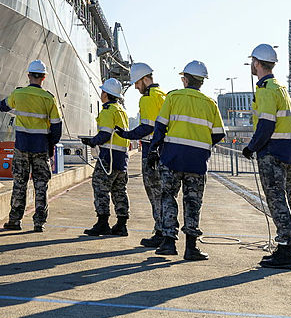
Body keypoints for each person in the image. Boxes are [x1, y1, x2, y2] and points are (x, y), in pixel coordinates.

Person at [149, 60, 226, 261]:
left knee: (168, 197)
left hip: (172, 158)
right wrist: (201, 144)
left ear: (185, 79)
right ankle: (191, 248)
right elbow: (219, 134)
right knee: (193, 202)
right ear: (202, 82)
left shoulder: (173, 97)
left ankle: (168, 243)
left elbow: (160, 127)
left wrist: (153, 150)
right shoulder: (210, 104)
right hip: (197, 162)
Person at [243, 43, 291, 270]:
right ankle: (286, 247)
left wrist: (251, 147)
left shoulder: (265, 89)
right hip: (287, 151)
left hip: (273, 151)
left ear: (257, 63)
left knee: (276, 200)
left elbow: (266, 124)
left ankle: (286, 251)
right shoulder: (279, 87)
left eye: (252, 62)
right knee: (284, 200)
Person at [0, 59, 63, 232]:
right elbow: (57, 126)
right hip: (41, 148)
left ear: (29, 75)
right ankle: (39, 223)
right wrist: (51, 145)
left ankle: (15, 221)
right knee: (41, 185)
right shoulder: (49, 99)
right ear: (44, 78)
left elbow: (4, 105)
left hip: (22, 147)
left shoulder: (19, 94)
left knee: (19, 183)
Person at [116, 61, 169, 247]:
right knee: (163, 193)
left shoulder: (147, 98)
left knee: (154, 193)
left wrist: (127, 134)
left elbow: (148, 126)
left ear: (145, 79)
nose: (137, 87)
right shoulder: (163, 95)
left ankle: (161, 231)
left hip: (151, 150)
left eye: (137, 83)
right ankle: (165, 230)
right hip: (165, 151)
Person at [79, 78, 131, 236]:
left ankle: (103, 223)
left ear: (106, 94)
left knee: (100, 187)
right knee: (119, 190)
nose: (101, 94)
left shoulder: (108, 111)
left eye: (103, 92)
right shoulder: (121, 110)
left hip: (108, 158)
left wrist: (92, 141)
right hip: (122, 159)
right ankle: (122, 225)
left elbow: (105, 134)